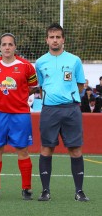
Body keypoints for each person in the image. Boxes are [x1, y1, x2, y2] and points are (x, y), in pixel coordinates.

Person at [35, 23, 89, 202]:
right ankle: (45, 191)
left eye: (58, 37)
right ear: (46, 40)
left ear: (63, 39)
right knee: (46, 148)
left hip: (71, 109)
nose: (55, 40)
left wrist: (68, 96)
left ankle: (79, 191)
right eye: (52, 37)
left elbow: (80, 85)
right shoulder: (41, 62)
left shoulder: (74, 60)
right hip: (49, 110)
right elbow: (42, 86)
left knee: (75, 149)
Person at [0, 33, 38, 200]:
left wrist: (18, 98)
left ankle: (26, 189)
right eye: (4, 44)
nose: (7, 47)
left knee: (22, 149)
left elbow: (33, 87)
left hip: (20, 114)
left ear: (15, 47)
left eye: (10, 44)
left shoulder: (26, 66)